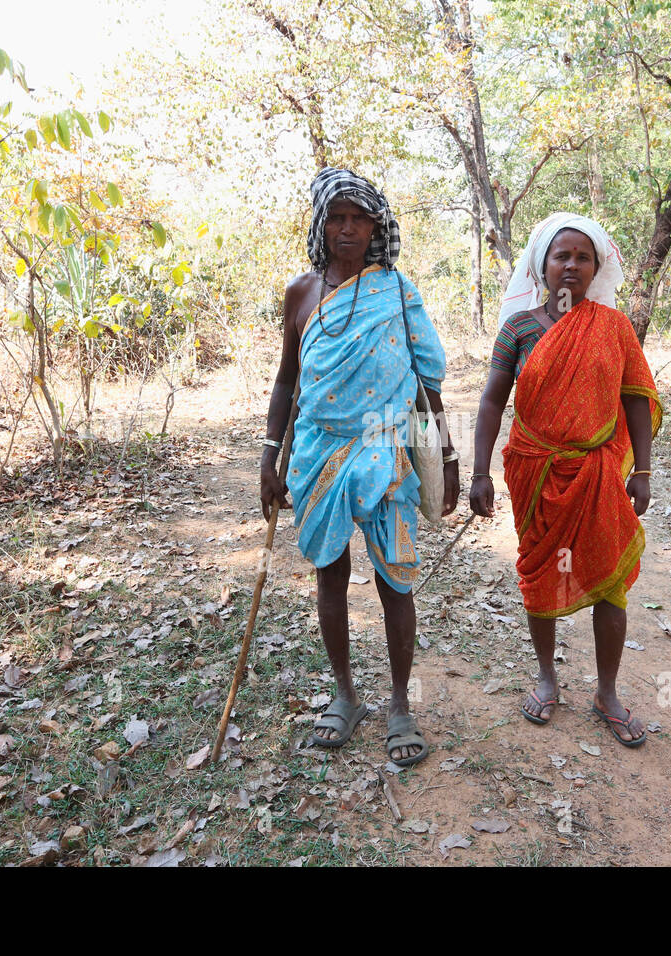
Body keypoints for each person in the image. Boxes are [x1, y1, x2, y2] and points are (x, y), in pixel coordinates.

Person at [260, 168, 460, 768]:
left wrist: (447, 458)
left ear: (376, 226)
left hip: (388, 450)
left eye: (358, 218)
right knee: (330, 573)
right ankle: (344, 694)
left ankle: (401, 703)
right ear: (322, 224)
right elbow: (287, 380)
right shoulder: (301, 293)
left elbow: (428, 384)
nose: (347, 228)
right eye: (337, 217)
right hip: (319, 450)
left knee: (396, 579)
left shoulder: (398, 292)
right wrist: (271, 457)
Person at [469, 212, 661, 747]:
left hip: (599, 472)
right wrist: (479, 472)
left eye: (582, 257)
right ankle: (548, 678)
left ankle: (607, 692)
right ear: (542, 265)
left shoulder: (614, 327)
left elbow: (635, 399)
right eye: (562, 256)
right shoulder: (519, 328)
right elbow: (490, 400)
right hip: (536, 470)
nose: (571, 266)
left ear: (596, 266)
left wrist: (641, 469)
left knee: (609, 578)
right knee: (540, 574)